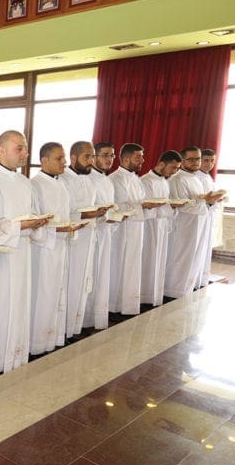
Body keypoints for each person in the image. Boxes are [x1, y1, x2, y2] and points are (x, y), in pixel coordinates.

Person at [0, 130, 50, 377]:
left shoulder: (25, 182)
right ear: (1, 150)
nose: (25, 154)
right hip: (1, 257)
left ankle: (16, 355)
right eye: (20, 148)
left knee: (19, 305)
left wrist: (37, 222)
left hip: (22, 253)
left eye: (26, 148)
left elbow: (34, 212)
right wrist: (22, 226)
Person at [29, 142, 78, 356]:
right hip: (43, 249)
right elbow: (34, 219)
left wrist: (70, 227)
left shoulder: (61, 184)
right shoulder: (35, 185)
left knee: (58, 291)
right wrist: (55, 229)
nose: (64, 163)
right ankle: (38, 342)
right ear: (44, 160)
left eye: (64, 158)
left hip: (60, 246)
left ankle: (55, 337)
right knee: (43, 293)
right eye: (59, 158)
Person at [108, 143, 162, 316]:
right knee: (120, 266)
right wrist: (142, 205)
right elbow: (118, 205)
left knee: (132, 266)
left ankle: (129, 304)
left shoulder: (136, 179)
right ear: (125, 158)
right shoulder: (115, 179)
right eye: (138, 156)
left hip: (137, 228)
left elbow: (139, 201)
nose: (143, 160)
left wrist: (146, 204)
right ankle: (114, 306)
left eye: (142, 156)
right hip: (122, 230)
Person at [60, 141, 106, 340]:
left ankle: (77, 324)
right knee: (70, 283)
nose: (91, 161)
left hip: (89, 237)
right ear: (73, 158)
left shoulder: (90, 180)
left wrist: (99, 212)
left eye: (92, 157)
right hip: (73, 240)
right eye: (86, 157)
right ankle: (64, 327)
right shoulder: (63, 180)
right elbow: (63, 212)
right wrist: (88, 215)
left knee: (84, 283)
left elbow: (93, 206)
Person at [165, 146, 222, 298]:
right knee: (181, 257)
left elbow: (198, 200)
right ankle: (173, 291)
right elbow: (182, 204)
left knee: (194, 256)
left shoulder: (196, 178)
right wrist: (205, 202)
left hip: (198, 223)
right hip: (184, 225)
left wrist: (210, 202)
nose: (196, 162)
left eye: (197, 158)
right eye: (191, 159)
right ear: (182, 161)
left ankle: (187, 287)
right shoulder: (177, 179)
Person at [139, 151, 182, 306]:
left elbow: (164, 205)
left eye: (177, 169)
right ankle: (143, 297)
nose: (174, 172)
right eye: (173, 168)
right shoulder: (145, 181)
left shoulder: (165, 181)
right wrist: (169, 206)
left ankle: (155, 296)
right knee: (148, 261)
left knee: (159, 261)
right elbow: (147, 207)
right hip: (149, 227)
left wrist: (172, 206)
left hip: (162, 226)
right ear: (162, 164)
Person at [83, 142, 118, 330]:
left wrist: (112, 215)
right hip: (90, 235)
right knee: (90, 277)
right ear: (94, 157)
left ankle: (96, 316)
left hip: (105, 233)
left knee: (101, 275)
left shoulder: (107, 180)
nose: (109, 159)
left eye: (112, 155)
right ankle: (85, 318)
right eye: (105, 155)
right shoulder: (88, 179)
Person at [197, 148, 224, 288]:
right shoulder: (196, 177)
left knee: (205, 250)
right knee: (198, 250)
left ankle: (202, 276)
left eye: (212, 160)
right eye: (206, 160)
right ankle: (196, 278)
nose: (209, 164)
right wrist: (211, 201)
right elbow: (199, 199)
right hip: (199, 219)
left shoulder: (207, 177)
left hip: (208, 217)